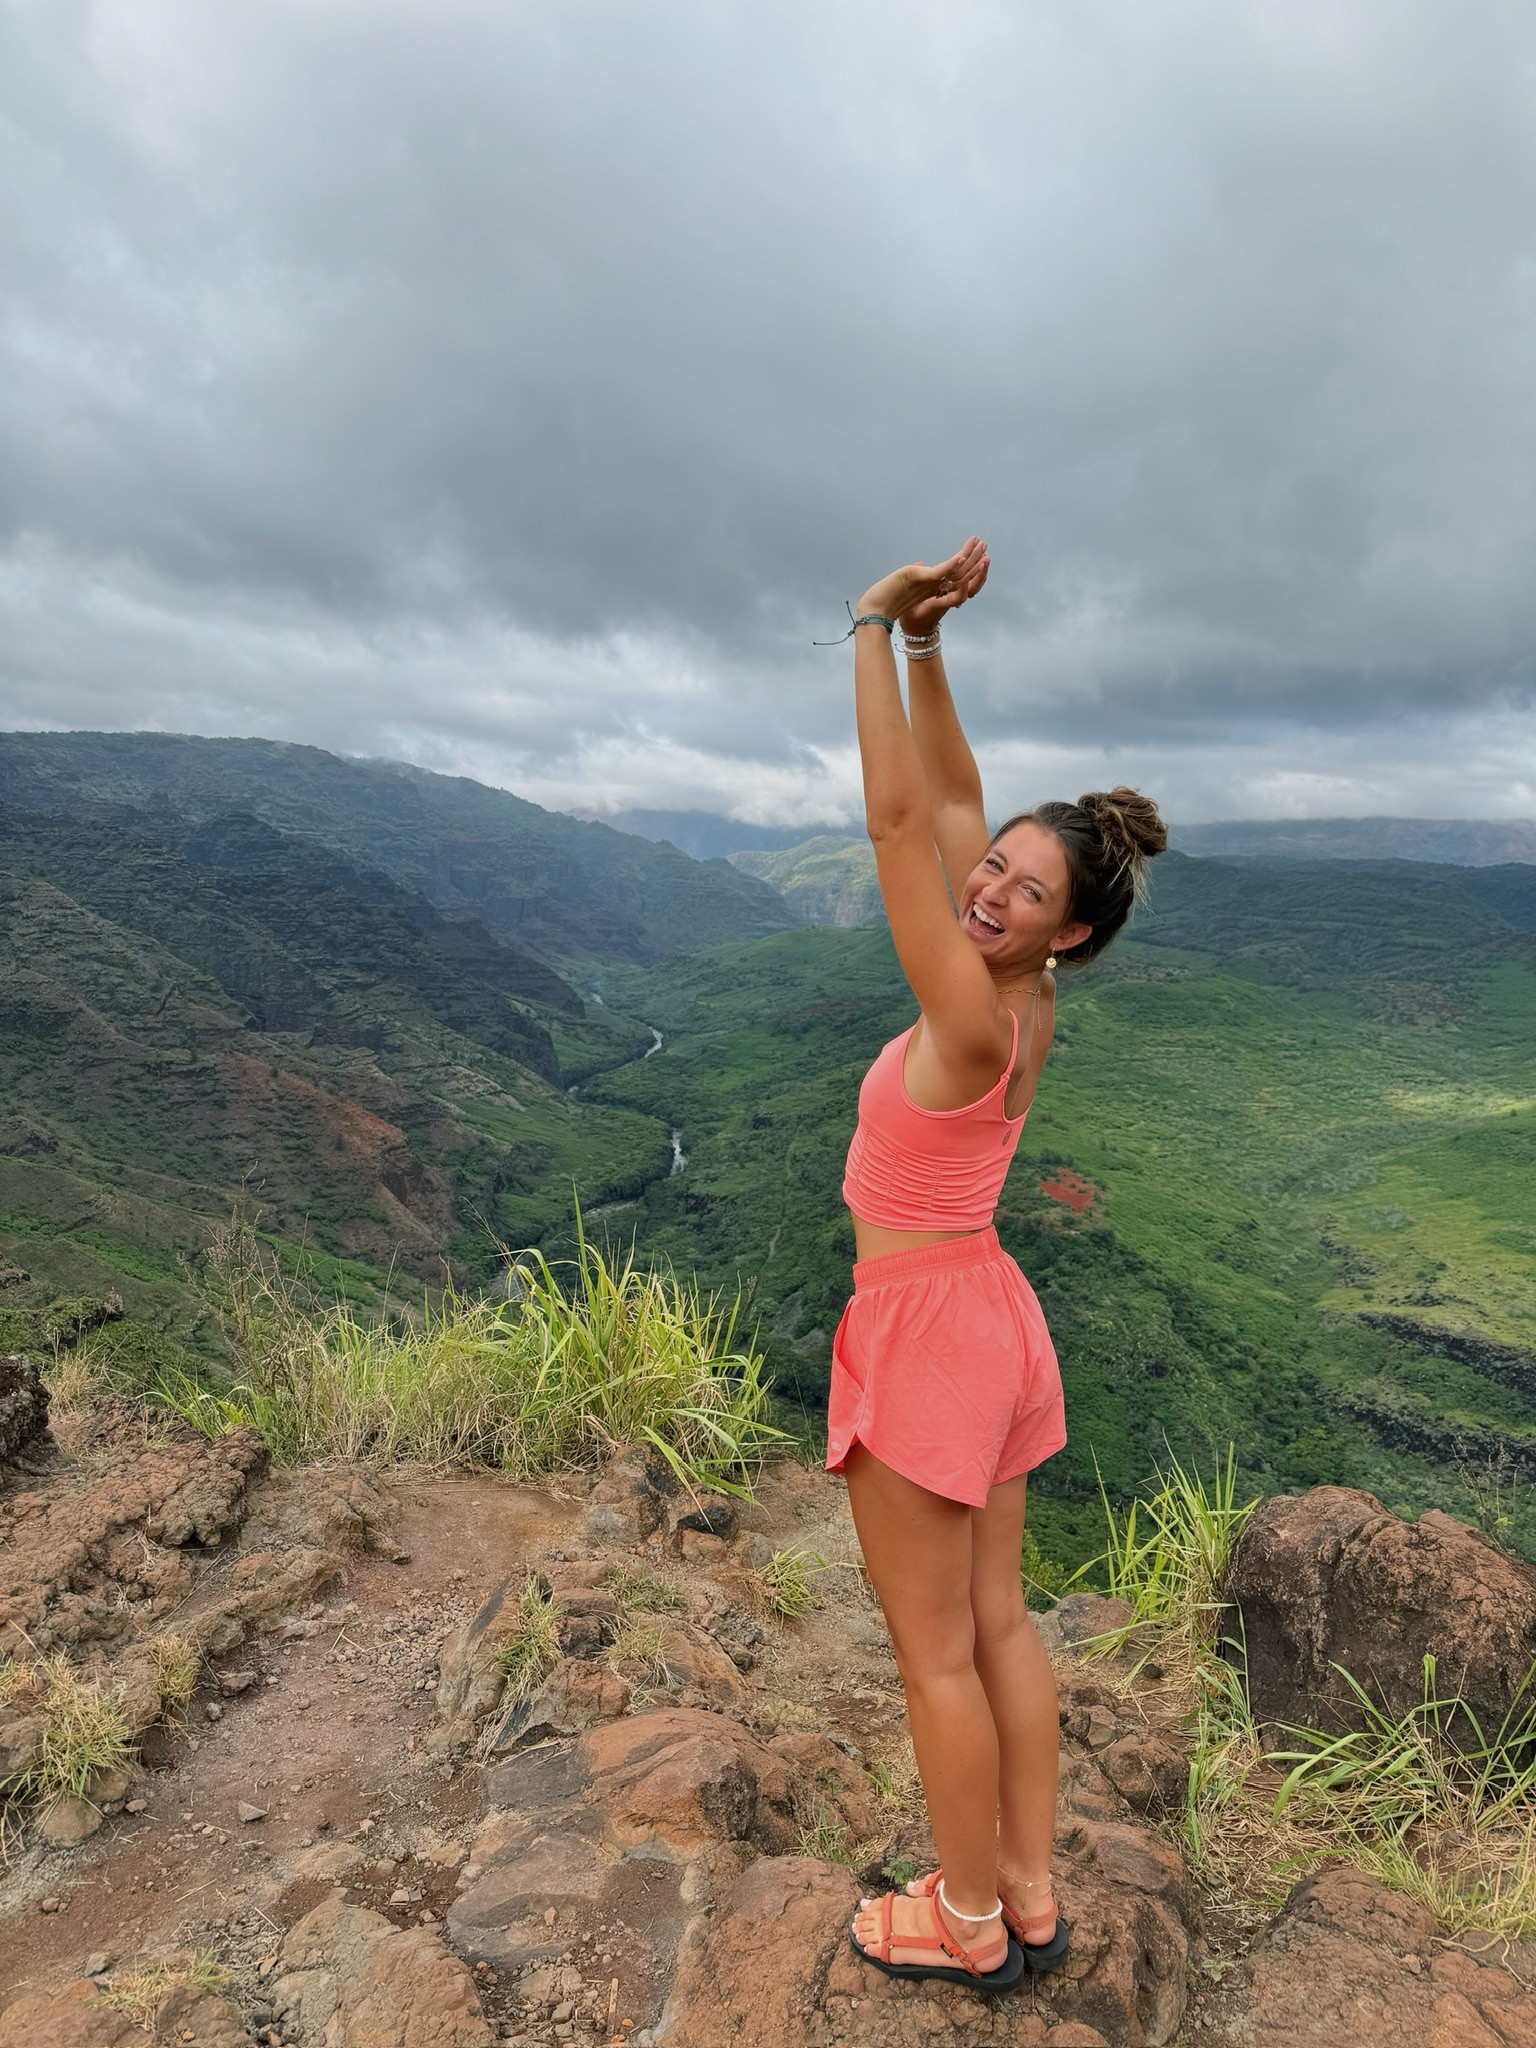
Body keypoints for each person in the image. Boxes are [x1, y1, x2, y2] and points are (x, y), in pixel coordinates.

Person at [834, 537, 1167, 1992]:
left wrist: (865, 622)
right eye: (996, 871)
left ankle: (964, 1920)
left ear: (1069, 931)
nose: (987, 890)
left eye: (1026, 893)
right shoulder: (1023, 1002)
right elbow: (955, 815)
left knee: (936, 1658)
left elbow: (901, 822)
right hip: (991, 1316)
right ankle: (1028, 1889)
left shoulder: (968, 1019)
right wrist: (928, 650)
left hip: (925, 1329)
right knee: (999, 1625)